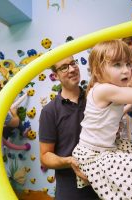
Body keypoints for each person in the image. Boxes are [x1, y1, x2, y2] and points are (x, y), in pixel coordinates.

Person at [72, 40, 132, 200]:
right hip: (95, 154)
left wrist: (127, 107)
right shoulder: (104, 90)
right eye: (117, 65)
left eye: (128, 64)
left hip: (98, 149)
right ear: (97, 71)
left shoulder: (103, 88)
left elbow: (111, 113)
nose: (126, 70)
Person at [39, 56, 99, 200]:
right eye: (64, 67)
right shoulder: (50, 111)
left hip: (103, 182)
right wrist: (70, 161)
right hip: (71, 191)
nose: (72, 69)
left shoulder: (95, 98)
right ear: (55, 75)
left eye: (73, 63)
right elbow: (45, 157)